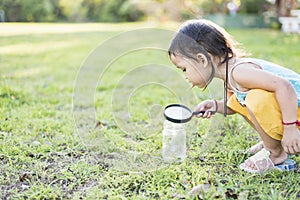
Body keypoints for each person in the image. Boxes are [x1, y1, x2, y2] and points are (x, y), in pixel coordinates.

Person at [168, 19, 300, 173]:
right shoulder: (230, 76)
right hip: (292, 113)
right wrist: (216, 106)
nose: (185, 75)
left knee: (255, 99)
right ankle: (271, 143)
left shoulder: (239, 72)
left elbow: (284, 86)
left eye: (184, 69)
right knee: (238, 100)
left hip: (294, 117)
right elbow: (235, 104)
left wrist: (290, 129)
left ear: (202, 59)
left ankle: (275, 153)